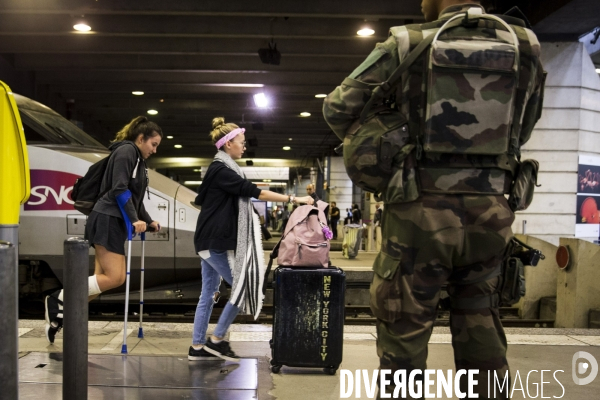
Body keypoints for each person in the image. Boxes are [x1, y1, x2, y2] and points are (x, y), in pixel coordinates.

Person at [323, 0, 545, 397]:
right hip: (491, 213)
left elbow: (338, 108)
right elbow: (524, 127)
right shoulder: (524, 43)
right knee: (482, 327)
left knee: (403, 335)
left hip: (416, 216)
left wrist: (397, 131)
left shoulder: (408, 42)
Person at [189, 117, 314, 362]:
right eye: (241, 142)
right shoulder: (222, 171)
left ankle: (197, 347)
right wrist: (294, 199)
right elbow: (259, 193)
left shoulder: (221, 169)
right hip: (212, 243)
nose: (244, 146)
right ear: (227, 145)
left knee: (208, 294)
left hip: (209, 241)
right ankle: (217, 340)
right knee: (242, 288)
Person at [44, 116, 163, 344]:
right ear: (141, 139)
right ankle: (57, 299)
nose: (154, 150)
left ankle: (62, 315)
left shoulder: (135, 157)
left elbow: (135, 197)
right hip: (108, 218)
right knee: (115, 277)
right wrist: (133, 219)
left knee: (98, 282)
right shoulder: (128, 152)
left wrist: (147, 220)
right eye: (153, 144)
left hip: (111, 219)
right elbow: (119, 189)